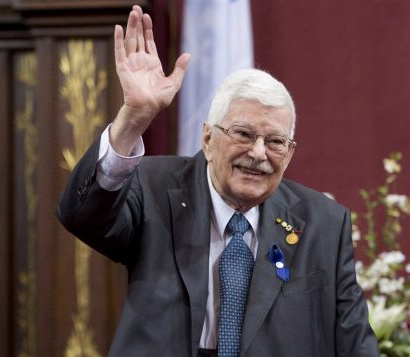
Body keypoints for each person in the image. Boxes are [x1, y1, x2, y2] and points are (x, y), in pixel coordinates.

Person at [57, 5, 378, 357]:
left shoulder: (324, 224)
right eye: (243, 133)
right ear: (207, 139)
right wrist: (132, 120)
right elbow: (81, 216)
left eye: (275, 142)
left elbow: (355, 343)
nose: (258, 153)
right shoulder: (154, 187)